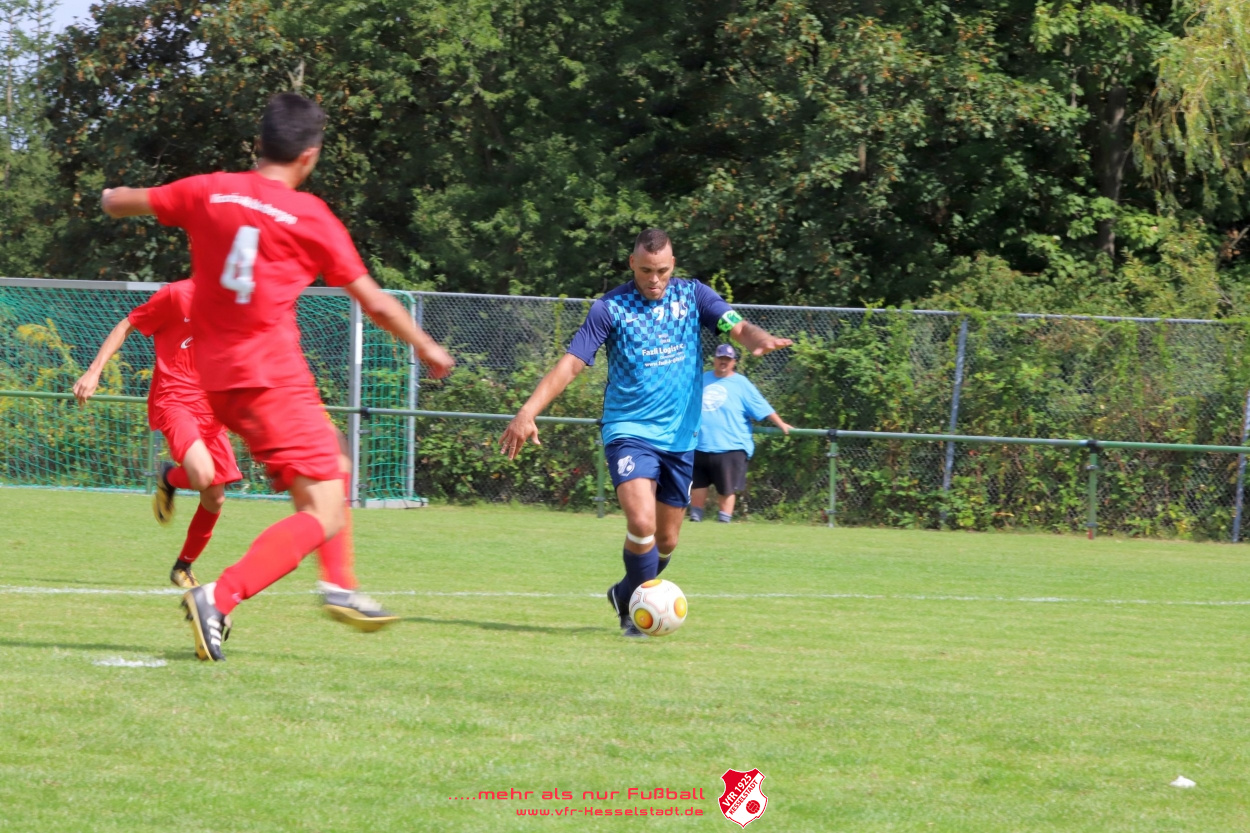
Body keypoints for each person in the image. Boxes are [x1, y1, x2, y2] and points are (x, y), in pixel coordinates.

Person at [100, 92, 456, 661]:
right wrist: (427, 346)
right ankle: (220, 597)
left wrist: (109, 196)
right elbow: (376, 303)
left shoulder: (207, 190)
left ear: (258, 144)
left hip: (217, 382)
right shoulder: (311, 216)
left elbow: (122, 202)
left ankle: (339, 584)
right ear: (310, 155)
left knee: (335, 457)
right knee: (323, 512)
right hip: (271, 377)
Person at [500, 228, 791, 637]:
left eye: (662, 271)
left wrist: (758, 338)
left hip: (680, 439)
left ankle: (624, 593)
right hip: (629, 430)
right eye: (645, 271)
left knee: (666, 541)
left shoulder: (694, 296)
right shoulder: (610, 308)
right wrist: (527, 411)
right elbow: (572, 363)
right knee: (641, 523)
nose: (654, 280)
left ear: (673, 265)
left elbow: (737, 326)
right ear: (632, 264)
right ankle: (634, 615)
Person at [73, 278, 244, 588]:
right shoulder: (177, 295)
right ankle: (170, 478)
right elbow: (127, 324)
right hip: (175, 400)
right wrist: (94, 371)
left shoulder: (238, 302)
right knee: (203, 475)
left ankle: (183, 567)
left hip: (211, 408)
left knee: (215, 497)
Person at [689, 343, 791, 523]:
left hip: (731, 446)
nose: (723, 362)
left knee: (726, 489)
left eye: (727, 359)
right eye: (720, 358)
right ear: (714, 359)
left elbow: (761, 406)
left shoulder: (741, 384)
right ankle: (695, 519)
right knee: (698, 485)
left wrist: (781, 424)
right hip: (700, 445)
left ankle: (724, 522)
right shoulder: (702, 379)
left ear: (734, 362)